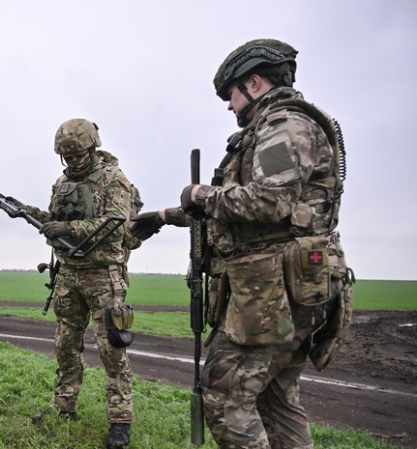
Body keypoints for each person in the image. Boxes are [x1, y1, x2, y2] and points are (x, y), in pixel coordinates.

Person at [131, 39, 354, 448]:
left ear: (254, 82)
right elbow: (243, 210)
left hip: (273, 293)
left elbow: (269, 202)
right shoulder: (273, 128)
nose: (229, 106)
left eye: (230, 94)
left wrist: (199, 195)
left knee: (223, 391)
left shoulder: (284, 125)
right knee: (274, 398)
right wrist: (164, 217)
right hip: (286, 288)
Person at [19, 118, 140, 449]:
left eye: (78, 156)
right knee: (65, 345)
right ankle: (64, 407)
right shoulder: (61, 183)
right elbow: (57, 221)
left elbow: (114, 224)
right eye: (67, 157)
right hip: (68, 275)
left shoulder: (114, 180)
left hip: (103, 275)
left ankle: (120, 421)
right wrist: (29, 213)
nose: (73, 162)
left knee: (111, 349)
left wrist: (68, 230)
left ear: (92, 148)